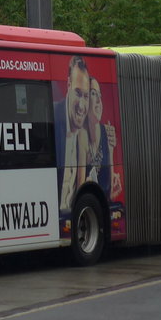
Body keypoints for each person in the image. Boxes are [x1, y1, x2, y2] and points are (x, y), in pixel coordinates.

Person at [59, 56, 90, 211]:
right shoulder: (53, 121)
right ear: (68, 85)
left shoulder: (85, 134)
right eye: (78, 93)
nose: (82, 106)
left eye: (86, 96)